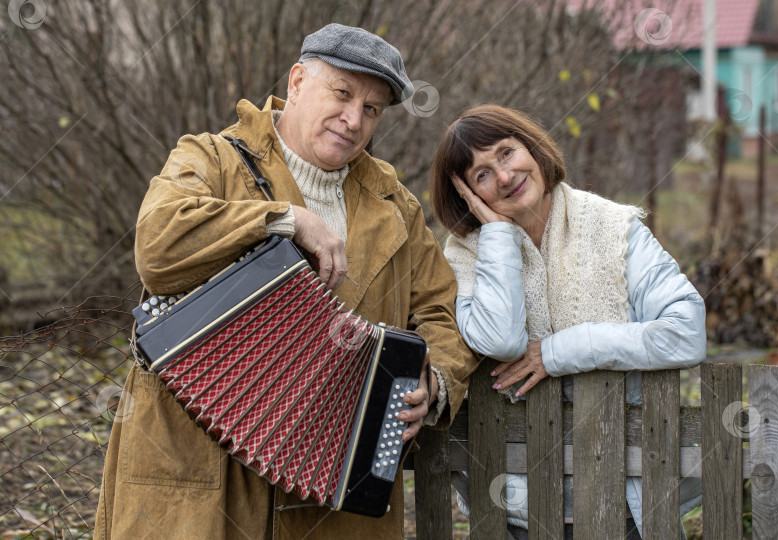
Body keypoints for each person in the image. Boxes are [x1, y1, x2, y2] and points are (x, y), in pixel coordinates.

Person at [95, 24, 476, 540]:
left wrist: (434, 382)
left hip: (335, 495)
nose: (353, 120)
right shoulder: (210, 158)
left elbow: (441, 312)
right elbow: (157, 246)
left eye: (371, 109)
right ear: (297, 82)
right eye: (342, 93)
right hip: (204, 483)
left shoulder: (396, 208)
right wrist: (285, 219)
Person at [429, 104, 706, 539]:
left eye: (506, 153)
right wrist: (498, 236)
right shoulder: (464, 256)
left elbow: (685, 333)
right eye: (481, 174)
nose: (503, 176)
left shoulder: (614, 227)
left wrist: (560, 352)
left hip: (627, 498)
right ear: (467, 194)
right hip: (517, 505)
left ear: (532, 148)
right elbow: (501, 341)